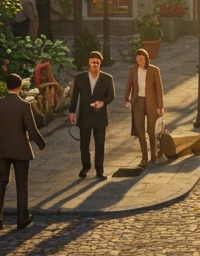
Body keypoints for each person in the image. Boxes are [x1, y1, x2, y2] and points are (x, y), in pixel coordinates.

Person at [0, 73, 46, 230]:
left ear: (7, 86)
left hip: (1, 149)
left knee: (1, 181)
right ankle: (22, 218)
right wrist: (41, 144)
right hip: (20, 150)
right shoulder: (24, 106)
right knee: (21, 183)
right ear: (19, 87)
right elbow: (32, 129)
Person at [69, 51, 115, 180]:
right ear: (88, 63)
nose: (94, 64)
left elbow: (111, 95)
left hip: (100, 117)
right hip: (85, 116)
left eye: (97, 62)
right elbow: (74, 96)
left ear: (100, 63)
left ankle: (99, 170)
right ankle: (86, 167)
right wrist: (72, 111)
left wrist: (102, 102)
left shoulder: (107, 78)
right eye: (92, 62)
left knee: (100, 144)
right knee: (84, 144)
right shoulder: (80, 78)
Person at [123, 48, 164, 168]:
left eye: (141, 59)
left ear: (146, 59)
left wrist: (160, 106)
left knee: (151, 130)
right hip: (138, 102)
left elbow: (159, 89)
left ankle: (154, 155)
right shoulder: (133, 70)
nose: (139, 61)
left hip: (151, 103)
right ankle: (144, 158)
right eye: (137, 59)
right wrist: (127, 98)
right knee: (140, 130)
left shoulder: (154, 70)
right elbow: (129, 85)